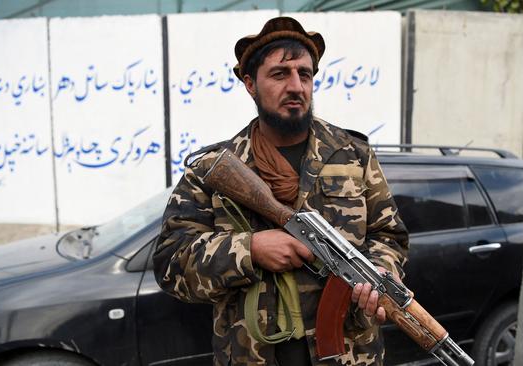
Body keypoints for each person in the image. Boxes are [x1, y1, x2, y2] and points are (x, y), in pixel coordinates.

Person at [153, 16, 409, 366]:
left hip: (350, 354)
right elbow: (171, 264)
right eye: (279, 74)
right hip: (252, 355)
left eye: (304, 74)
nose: (296, 86)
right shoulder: (214, 170)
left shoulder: (354, 155)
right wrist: (250, 249)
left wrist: (380, 271)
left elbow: (389, 235)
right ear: (249, 84)